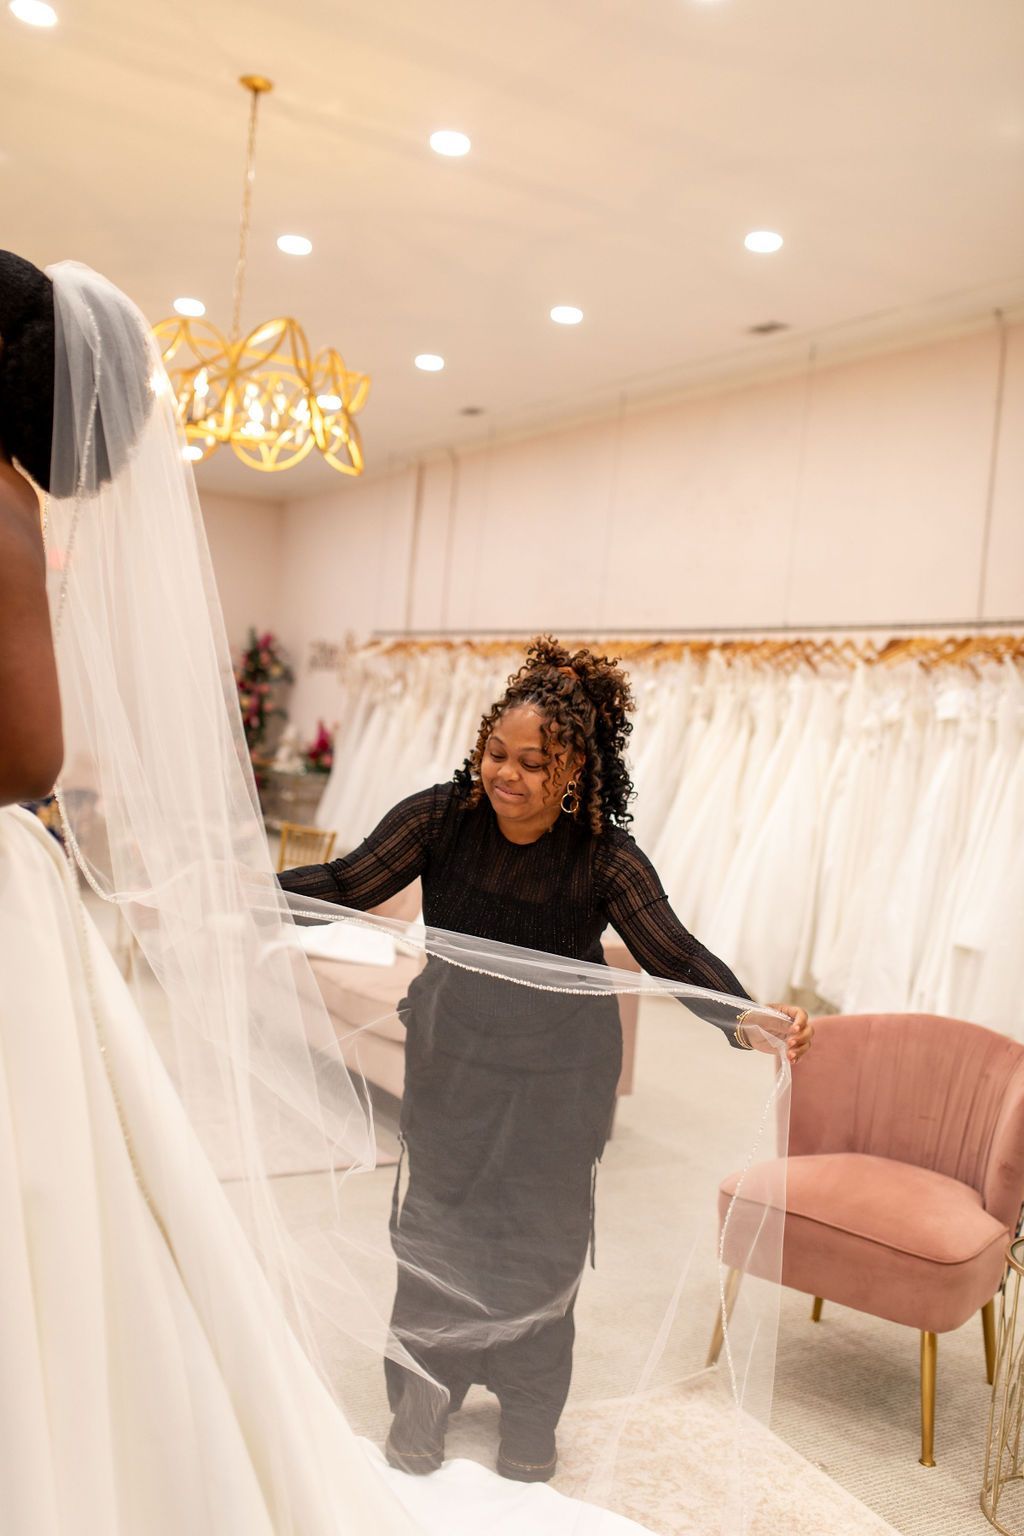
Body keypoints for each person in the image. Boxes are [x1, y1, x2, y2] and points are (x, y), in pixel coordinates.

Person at [279, 638, 813, 1484]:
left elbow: (670, 952)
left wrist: (745, 1019)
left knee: (541, 1235)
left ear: (574, 772)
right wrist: (241, 889)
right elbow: (350, 883)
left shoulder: (604, 855)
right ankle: (425, 1395)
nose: (507, 775)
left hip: (561, 1078)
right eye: (497, 752)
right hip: (453, 1055)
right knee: (441, 1221)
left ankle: (530, 1412)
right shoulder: (438, 819)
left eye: (535, 762)